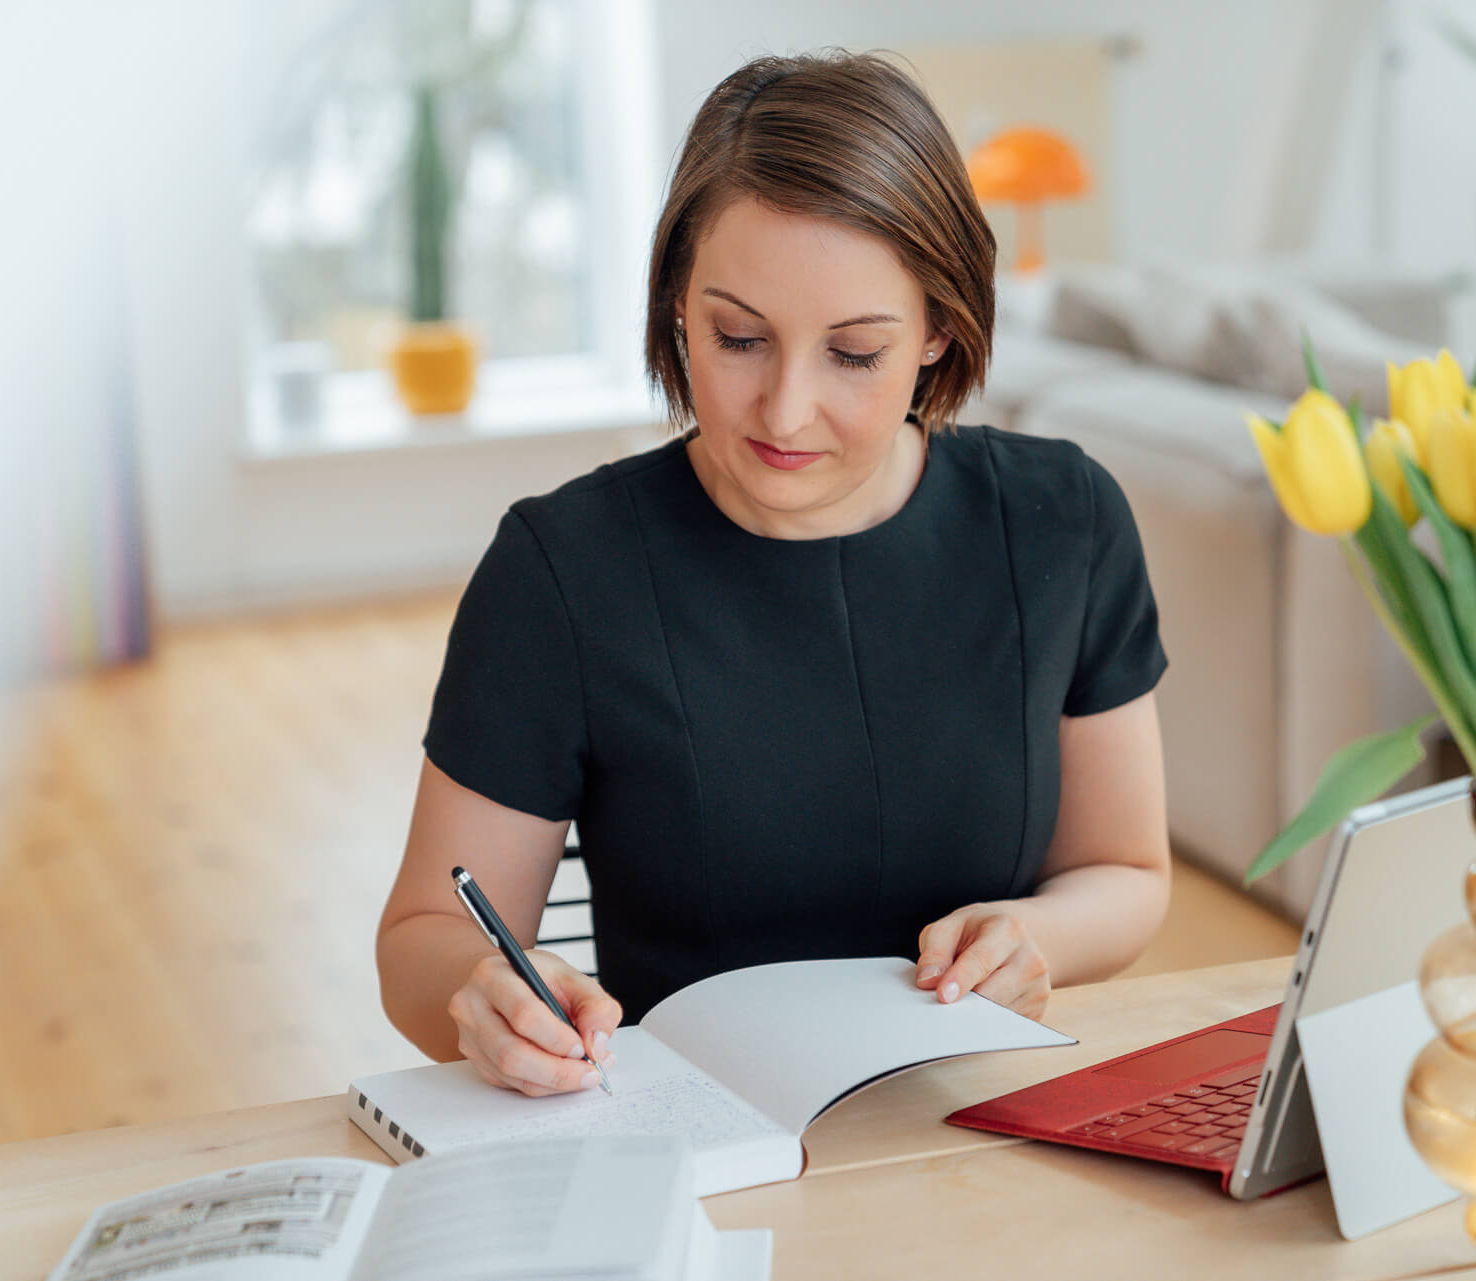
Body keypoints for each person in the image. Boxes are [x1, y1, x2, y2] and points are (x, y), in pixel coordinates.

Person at [376, 50, 1171, 1100]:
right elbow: (424, 937)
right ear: (676, 307)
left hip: (985, 1110)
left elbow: (1128, 873)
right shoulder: (561, 572)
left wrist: (1038, 938)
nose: (785, 410)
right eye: (739, 337)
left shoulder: (1062, 520)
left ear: (938, 328)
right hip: (699, 1136)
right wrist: (485, 996)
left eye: (853, 353)